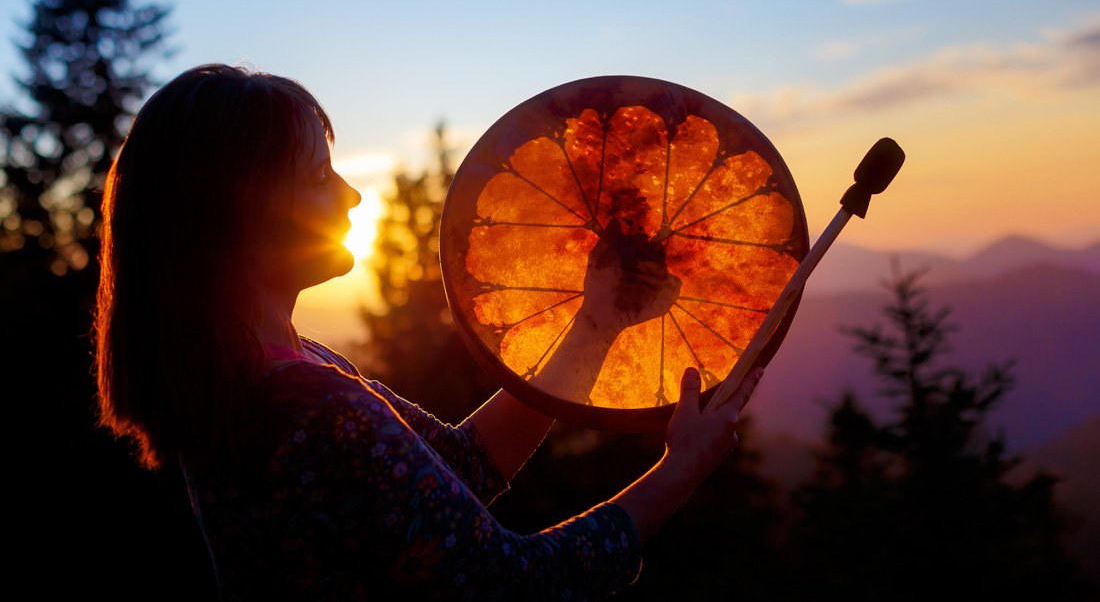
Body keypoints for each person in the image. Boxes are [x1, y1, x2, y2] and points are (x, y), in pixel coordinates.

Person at [94, 64, 763, 600]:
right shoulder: (309, 407)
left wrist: (594, 324)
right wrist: (682, 471)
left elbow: (460, 466)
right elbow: (510, 582)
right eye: (318, 176)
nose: (352, 195)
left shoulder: (262, 371)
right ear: (242, 215)